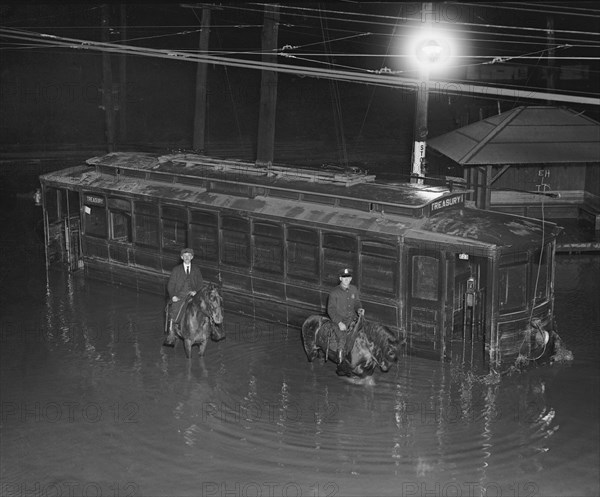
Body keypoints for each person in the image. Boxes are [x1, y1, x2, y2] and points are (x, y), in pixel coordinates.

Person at [163, 247, 204, 346]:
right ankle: (171, 334)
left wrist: (195, 291)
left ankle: (212, 329)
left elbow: (200, 283)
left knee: (206, 307)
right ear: (181, 257)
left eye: (189, 256)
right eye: (185, 256)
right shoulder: (176, 270)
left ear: (192, 257)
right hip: (180, 296)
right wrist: (173, 296)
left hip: (193, 295)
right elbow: (170, 285)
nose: (187, 257)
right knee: (174, 310)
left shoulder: (196, 269)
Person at [327, 268, 365, 361]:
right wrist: (339, 322)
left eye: (348, 277)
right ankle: (340, 359)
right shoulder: (334, 292)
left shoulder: (353, 289)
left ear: (351, 278)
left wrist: (359, 309)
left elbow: (356, 302)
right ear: (340, 278)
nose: (346, 279)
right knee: (342, 337)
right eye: (344, 278)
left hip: (352, 318)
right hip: (340, 320)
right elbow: (331, 310)